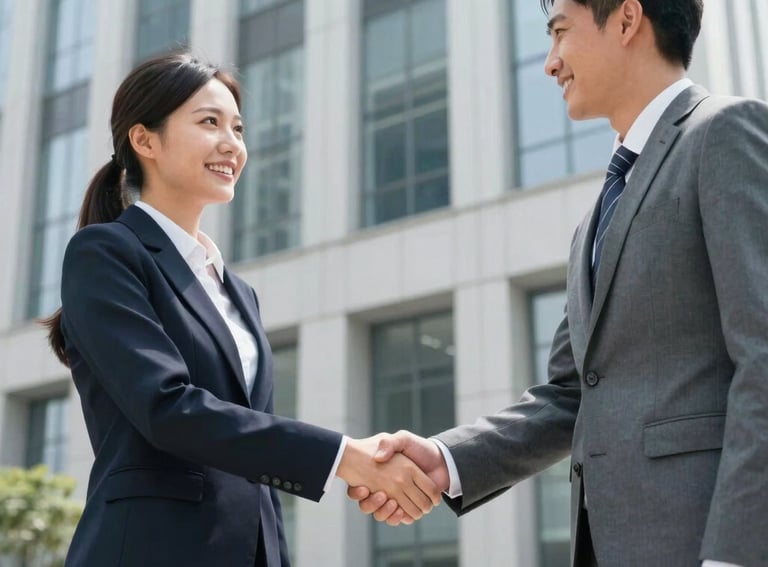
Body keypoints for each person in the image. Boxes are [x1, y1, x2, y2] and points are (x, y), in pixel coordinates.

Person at [349, 0, 768, 565]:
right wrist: (445, 460)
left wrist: (737, 553)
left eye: (560, 33)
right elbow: (573, 394)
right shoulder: (598, 213)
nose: (551, 63)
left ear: (626, 19)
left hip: (702, 544)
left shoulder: (724, 132)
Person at [43, 51, 440, 567]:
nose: (232, 143)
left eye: (238, 127)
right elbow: (166, 409)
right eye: (209, 122)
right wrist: (345, 458)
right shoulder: (106, 253)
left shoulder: (236, 290)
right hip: (149, 548)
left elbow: (248, 441)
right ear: (145, 141)